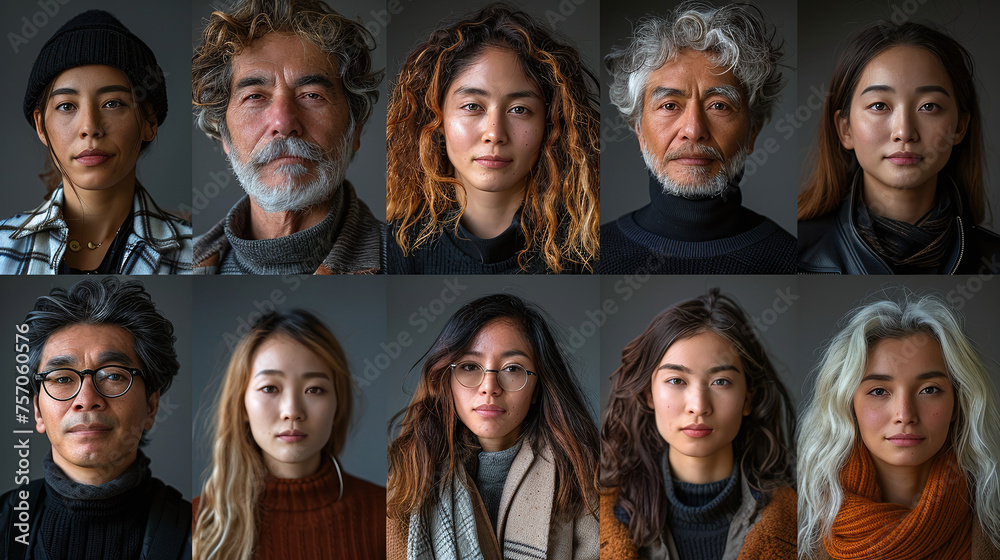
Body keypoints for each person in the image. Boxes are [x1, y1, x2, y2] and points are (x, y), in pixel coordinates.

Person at [385, 4, 600, 274]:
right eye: (472, 106)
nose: (494, 134)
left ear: (550, 124)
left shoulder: (587, 251)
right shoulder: (393, 250)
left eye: (519, 110)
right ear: (437, 119)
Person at [386, 294, 599, 559]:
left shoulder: (582, 477)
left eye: (512, 369)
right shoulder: (410, 477)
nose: (489, 387)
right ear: (446, 381)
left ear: (536, 389)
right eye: (469, 366)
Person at [599, 2, 796, 275]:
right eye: (669, 105)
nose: (693, 130)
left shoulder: (790, 260)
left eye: (719, 105)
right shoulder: (594, 257)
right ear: (639, 131)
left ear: (753, 132)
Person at [798, 293, 1000, 558]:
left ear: (957, 403)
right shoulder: (800, 523)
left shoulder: (992, 519)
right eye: (879, 391)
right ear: (848, 405)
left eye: (929, 389)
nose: (904, 415)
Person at [0, 278, 190, 559]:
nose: (86, 399)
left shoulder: (198, 532)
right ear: (38, 412)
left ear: (151, 405)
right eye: (62, 378)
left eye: (114, 375)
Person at [600, 288, 797, 559]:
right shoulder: (596, 517)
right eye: (676, 380)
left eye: (721, 382)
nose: (699, 406)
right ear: (648, 394)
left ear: (748, 399)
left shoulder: (804, 521)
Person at [191, 0, 384, 274]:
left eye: (312, 95)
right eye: (255, 96)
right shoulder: (177, 265)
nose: (283, 124)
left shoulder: (405, 260)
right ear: (224, 133)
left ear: (355, 129)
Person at [797, 22, 1000, 274]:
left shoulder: (993, 260)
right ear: (845, 129)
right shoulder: (796, 253)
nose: (904, 132)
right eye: (880, 106)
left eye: (929, 106)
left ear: (959, 126)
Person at [0, 10, 192, 274]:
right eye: (66, 106)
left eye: (113, 103)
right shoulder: (2, 248)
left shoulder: (194, 253)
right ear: (41, 126)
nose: (90, 128)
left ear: (148, 121)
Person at [193, 310, 385, 559]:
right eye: (270, 388)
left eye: (314, 389)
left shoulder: (385, 512)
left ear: (338, 404)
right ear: (241, 405)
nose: (292, 412)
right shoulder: (196, 519)